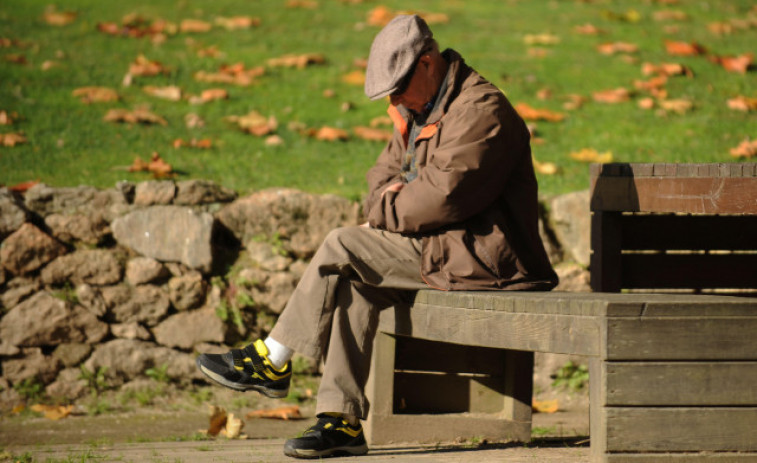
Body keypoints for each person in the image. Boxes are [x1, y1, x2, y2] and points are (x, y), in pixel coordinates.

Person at [196, 14, 558, 459]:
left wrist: (388, 208)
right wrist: (390, 202)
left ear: (428, 63)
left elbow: (442, 198)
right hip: (447, 248)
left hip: (490, 262)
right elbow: (381, 178)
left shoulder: (481, 112)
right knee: (354, 282)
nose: (394, 98)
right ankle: (340, 423)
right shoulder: (418, 107)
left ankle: (271, 359)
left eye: (398, 86)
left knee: (342, 244)